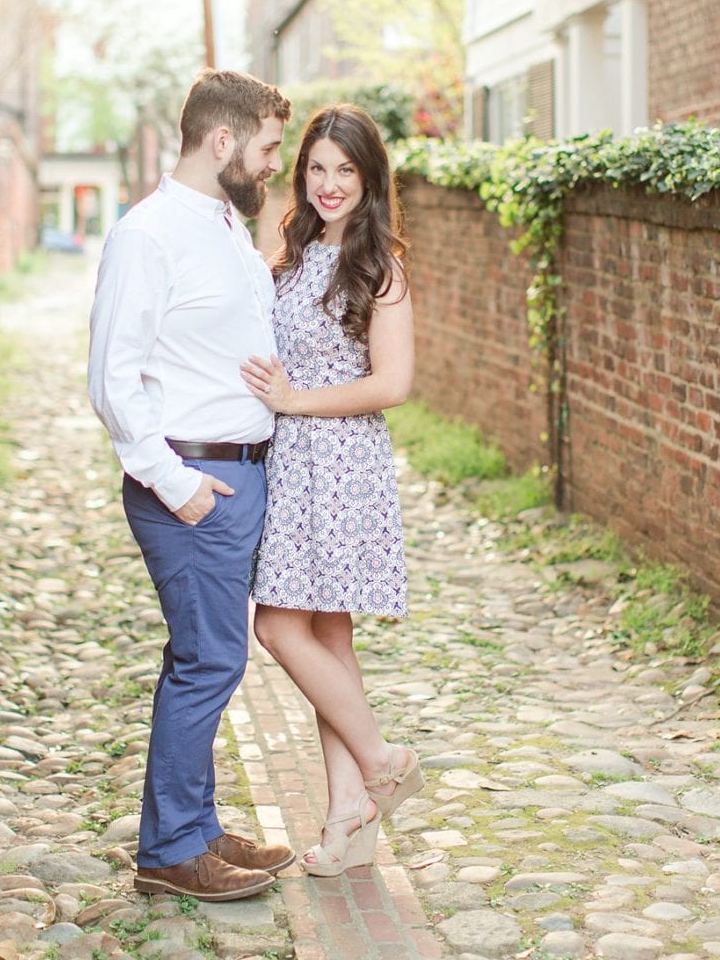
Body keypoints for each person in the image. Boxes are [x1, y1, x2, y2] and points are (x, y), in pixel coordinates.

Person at [88, 69, 296, 902]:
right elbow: (112, 377)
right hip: (193, 479)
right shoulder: (148, 235)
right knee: (209, 661)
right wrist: (180, 487)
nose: (275, 165)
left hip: (236, 475)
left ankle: (196, 828)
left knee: (207, 657)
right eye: (270, 147)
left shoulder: (224, 228)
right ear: (223, 142)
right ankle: (173, 847)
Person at [241, 104, 424, 876]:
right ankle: (348, 813)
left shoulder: (381, 267)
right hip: (294, 464)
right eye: (316, 168)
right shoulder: (295, 250)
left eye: (345, 170)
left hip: (342, 465)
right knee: (330, 639)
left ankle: (383, 759)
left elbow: (394, 383)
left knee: (280, 630)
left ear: (369, 178)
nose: (328, 184)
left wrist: (294, 402)